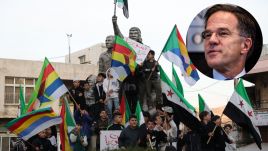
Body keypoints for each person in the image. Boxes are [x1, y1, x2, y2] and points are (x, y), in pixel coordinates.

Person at [202, 4, 261, 80]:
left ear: (245, 45)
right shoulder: (197, 82)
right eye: (208, 34)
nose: (212, 40)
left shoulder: (257, 80)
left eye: (223, 33)